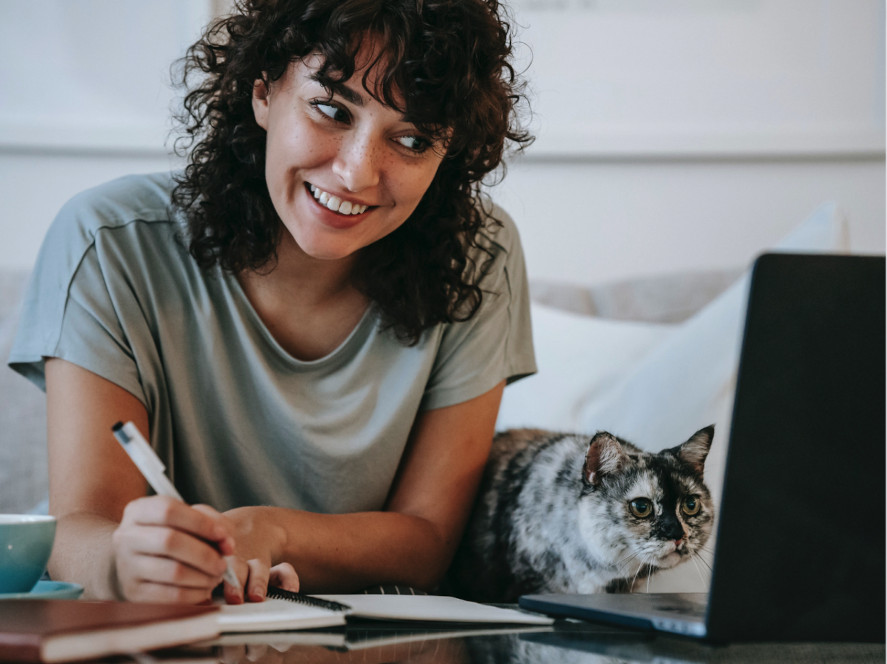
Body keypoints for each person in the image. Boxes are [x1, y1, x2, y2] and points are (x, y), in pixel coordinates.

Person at [8, 0, 534, 605]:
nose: (357, 173)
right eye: (331, 109)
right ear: (263, 91)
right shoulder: (107, 243)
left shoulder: (479, 255)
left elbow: (428, 540)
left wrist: (272, 532)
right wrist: (125, 564)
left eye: (412, 139)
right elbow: (80, 529)